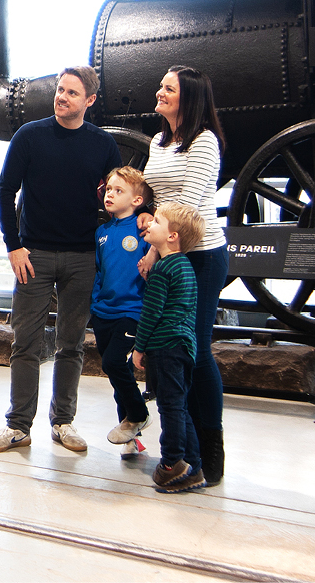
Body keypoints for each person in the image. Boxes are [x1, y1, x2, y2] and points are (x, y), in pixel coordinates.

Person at [0, 67, 121, 454]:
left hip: (82, 258)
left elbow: (118, 199)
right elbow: (5, 191)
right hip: (34, 256)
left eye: (72, 93)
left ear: (89, 101)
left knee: (71, 345)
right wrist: (13, 245)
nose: (62, 97)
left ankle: (63, 422)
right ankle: (18, 426)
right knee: (24, 343)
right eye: (60, 90)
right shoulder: (30, 136)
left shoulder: (103, 145)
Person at [140, 65, 228, 485]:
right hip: (166, 249)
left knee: (197, 347)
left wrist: (157, 251)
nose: (160, 92)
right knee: (173, 350)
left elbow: (190, 206)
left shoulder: (204, 141)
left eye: (168, 88)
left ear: (187, 98)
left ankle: (210, 452)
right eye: (161, 86)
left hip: (200, 255)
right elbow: (157, 196)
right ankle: (186, 448)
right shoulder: (159, 140)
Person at [132, 201, 206, 493]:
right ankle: (193, 466)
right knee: (181, 405)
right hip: (185, 346)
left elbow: (151, 313)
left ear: (172, 236)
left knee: (169, 406)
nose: (150, 224)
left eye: (157, 222)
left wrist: (139, 348)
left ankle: (172, 462)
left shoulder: (163, 269)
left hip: (165, 347)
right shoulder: (184, 266)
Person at [92, 166, 154, 458]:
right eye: (109, 189)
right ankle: (130, 434)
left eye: (119, 191)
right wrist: (95, 302)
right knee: (119, 376)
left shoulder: (144, 230)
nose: (110, 194)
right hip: (103, 312)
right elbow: (100, 271)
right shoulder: (101, 232)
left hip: (131, 311)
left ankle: (139, 414)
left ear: (137, 201)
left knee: (114, 363)